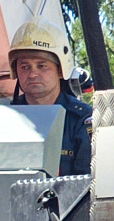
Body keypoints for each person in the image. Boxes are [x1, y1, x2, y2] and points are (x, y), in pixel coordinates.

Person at [7, 20, 92, 178]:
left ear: (60, 70)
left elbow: (85, 184)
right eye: (25, 67)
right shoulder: (5, 118)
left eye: (42, 66)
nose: (32, 74)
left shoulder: (81, 119)